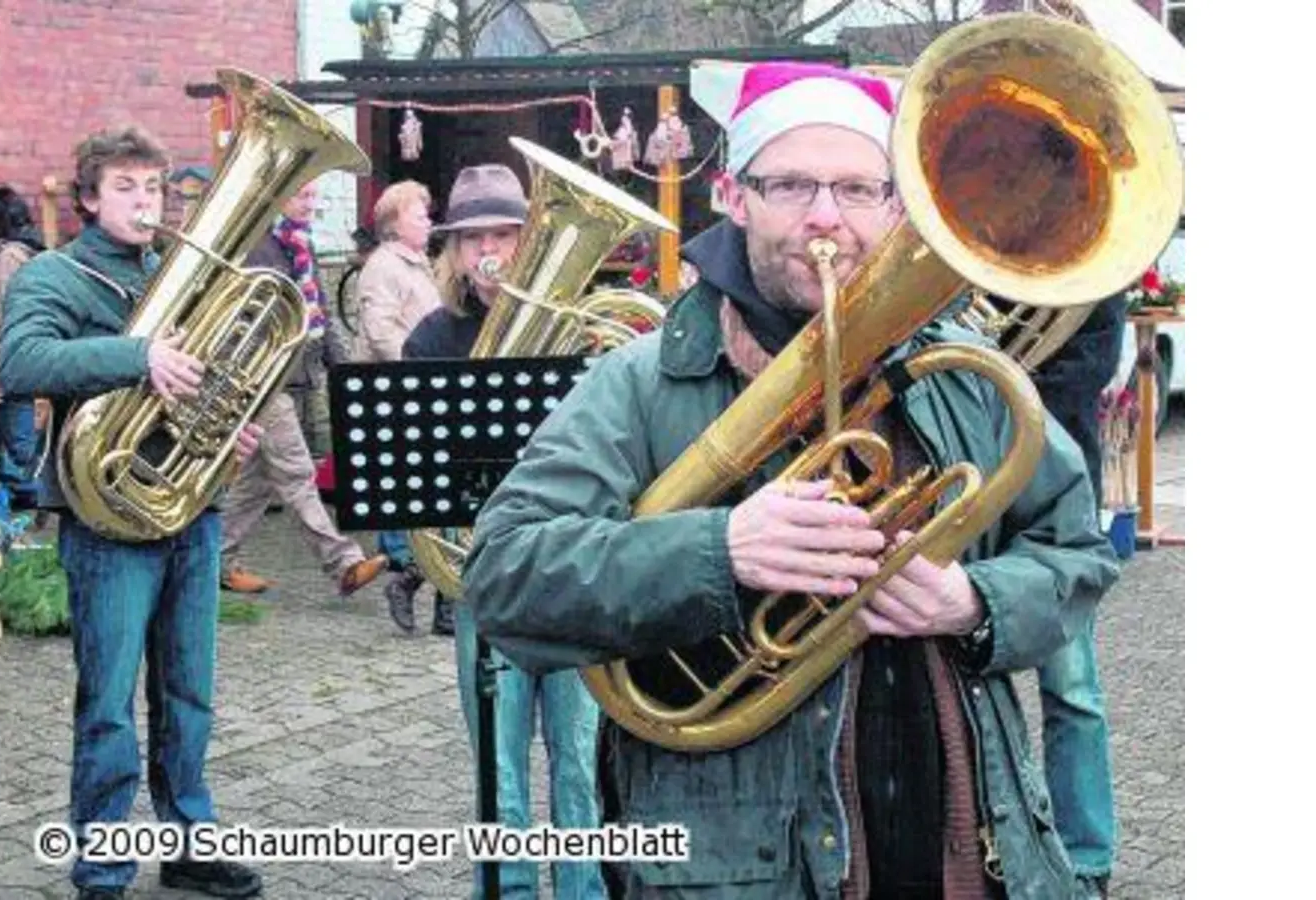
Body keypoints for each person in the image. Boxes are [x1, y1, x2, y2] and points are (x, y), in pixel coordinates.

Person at [463, 61, 1120, 899]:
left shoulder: (964, 372)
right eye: (791, 185)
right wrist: (719, 548)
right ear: (735, 198)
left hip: (965, 843)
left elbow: (1077, 552)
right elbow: (505, 574)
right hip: (735, 869)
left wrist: (978, 603)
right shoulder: (639, 383)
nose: (825, 219)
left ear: (893, 205)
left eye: (855, 189)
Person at [0, 125, 264, 900]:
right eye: (126, 188)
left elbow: (210, 379)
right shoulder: (57, 275)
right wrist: (136, 356)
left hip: (189, 509)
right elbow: (17, 363)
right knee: (109, 703)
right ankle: (105, 863)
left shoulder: (182, 273)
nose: (146, 204)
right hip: (106, 520)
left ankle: (189, 843)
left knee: (190, 695)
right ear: (87, 197)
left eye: (153, 190)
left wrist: (228, 427)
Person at [405, 164, 608, 899]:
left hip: (574, 569)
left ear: (529, 243)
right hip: (484, 578)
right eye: (473, 238)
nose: (489, 251)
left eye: (504, 234)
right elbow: (415, 462)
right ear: (454, 253)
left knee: (579, 757)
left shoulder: (580, 328)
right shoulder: (433, 339)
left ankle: (585, 891)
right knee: (498, 763)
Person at [215, 179, 390, 599]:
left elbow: (321, 315)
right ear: (277, 197)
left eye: (314, 196)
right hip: (262, 380)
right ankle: (343, 562)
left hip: (293, 375)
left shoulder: (299, 244)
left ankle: (213, 558)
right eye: (301, 195)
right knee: (297, 473)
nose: (309, 204)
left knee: (258, 481)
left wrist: (344, 371)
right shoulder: (258, 248)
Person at [1023, 292, 1130, 900]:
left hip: (1056, 498)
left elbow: (1082, 377)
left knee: (1071, 688)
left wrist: (986, 382)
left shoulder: (1092, 265)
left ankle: (1086, 858)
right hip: (958, 487)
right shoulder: (967, 246)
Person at [352, 180, 444, 632]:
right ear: (394, 223)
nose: (428, 218)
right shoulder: (384, 267)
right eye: (419, 213)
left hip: (417, 387)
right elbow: (380, 331)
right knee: (411, 493)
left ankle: (444, 600)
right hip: (395, 390)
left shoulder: (418, 264)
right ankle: (408, 576)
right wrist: (416, 370)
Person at [0, 183, 47, 510]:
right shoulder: (23, 252)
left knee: (20, 446)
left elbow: (0, 316)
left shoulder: (8, 257)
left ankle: (34, 504)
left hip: (6, 366)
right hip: (17, 361)